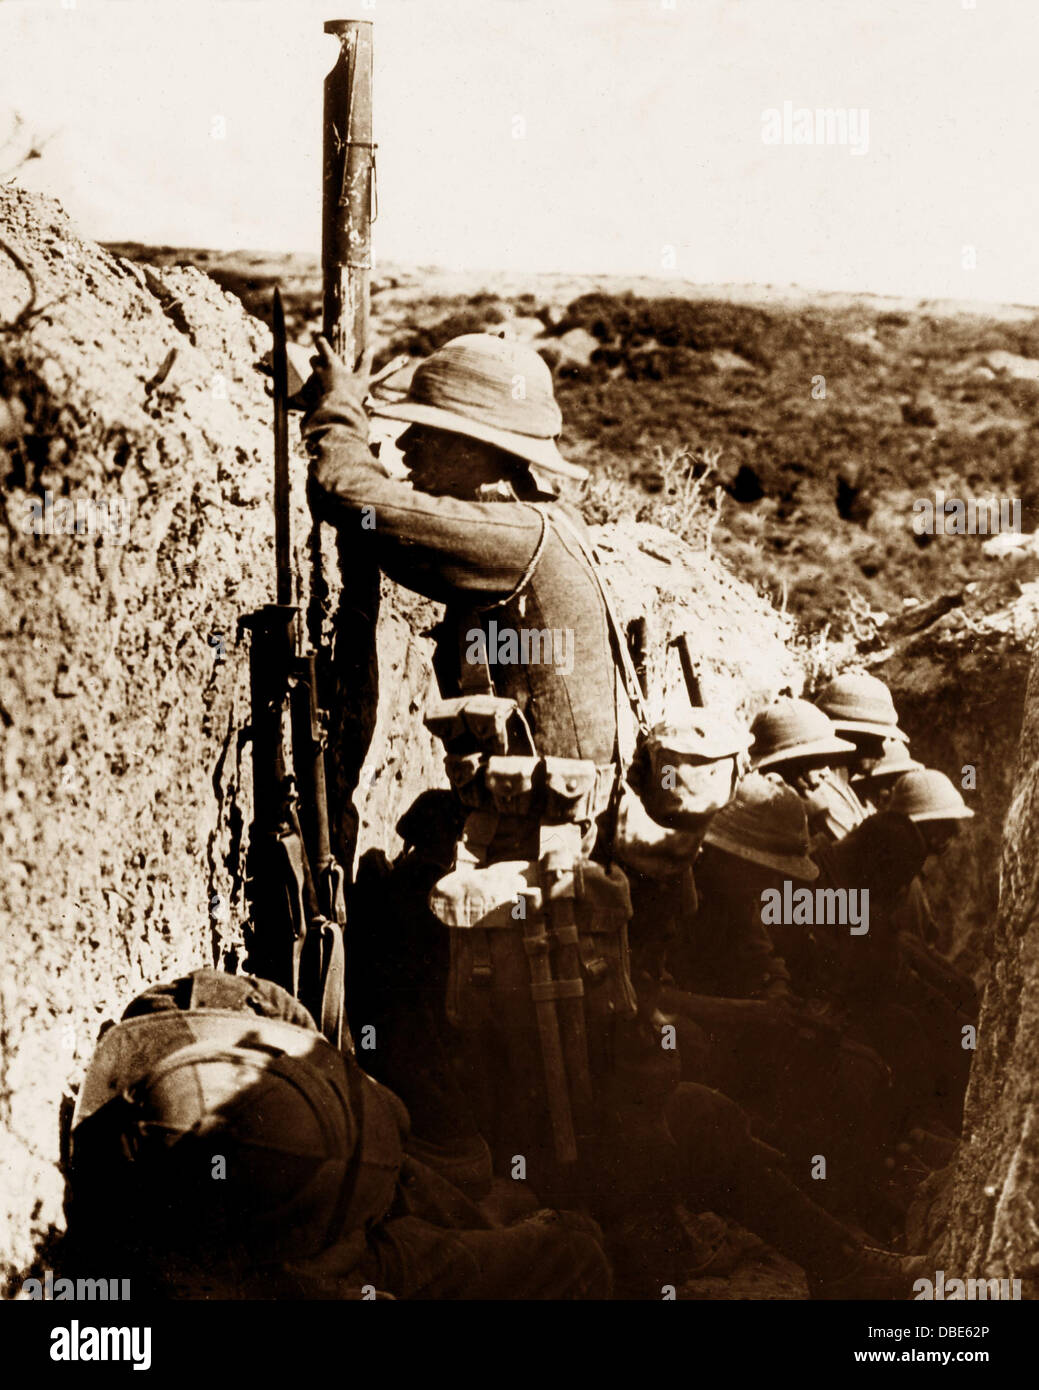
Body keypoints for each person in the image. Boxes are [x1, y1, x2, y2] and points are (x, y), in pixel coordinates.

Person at [303, 334, 925, 1298]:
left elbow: (355, 501)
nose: (414, 451)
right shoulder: (542, 533)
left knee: (577, 1116)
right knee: (597, 1110)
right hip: (556, 885)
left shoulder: (511, 536)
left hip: (536, 898)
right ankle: (789, 1256)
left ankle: (672, 1250)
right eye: (409, 434)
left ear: (489, 450)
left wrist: (338, 409)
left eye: (432, 435)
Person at [63, 969, 611, 1300]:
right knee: (571, 1255)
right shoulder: (218, 1274)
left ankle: (507, 1211)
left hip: (349, 1128)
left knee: (497, 1193)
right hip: (342, 1250)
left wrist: (331, 1072)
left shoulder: (180, 1030)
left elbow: (262, 1002)